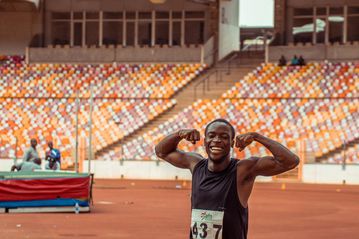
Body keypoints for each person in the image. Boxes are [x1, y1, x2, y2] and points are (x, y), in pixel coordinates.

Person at [155, 118, 300, 239]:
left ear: (232, 143)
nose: (216, 140)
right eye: (211, 136)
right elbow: (161, 151)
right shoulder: (196, 164)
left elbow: (290, 161)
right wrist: (179, 134)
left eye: (224, 137)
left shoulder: (243, 170)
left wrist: (258, 137)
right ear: (205, 141)